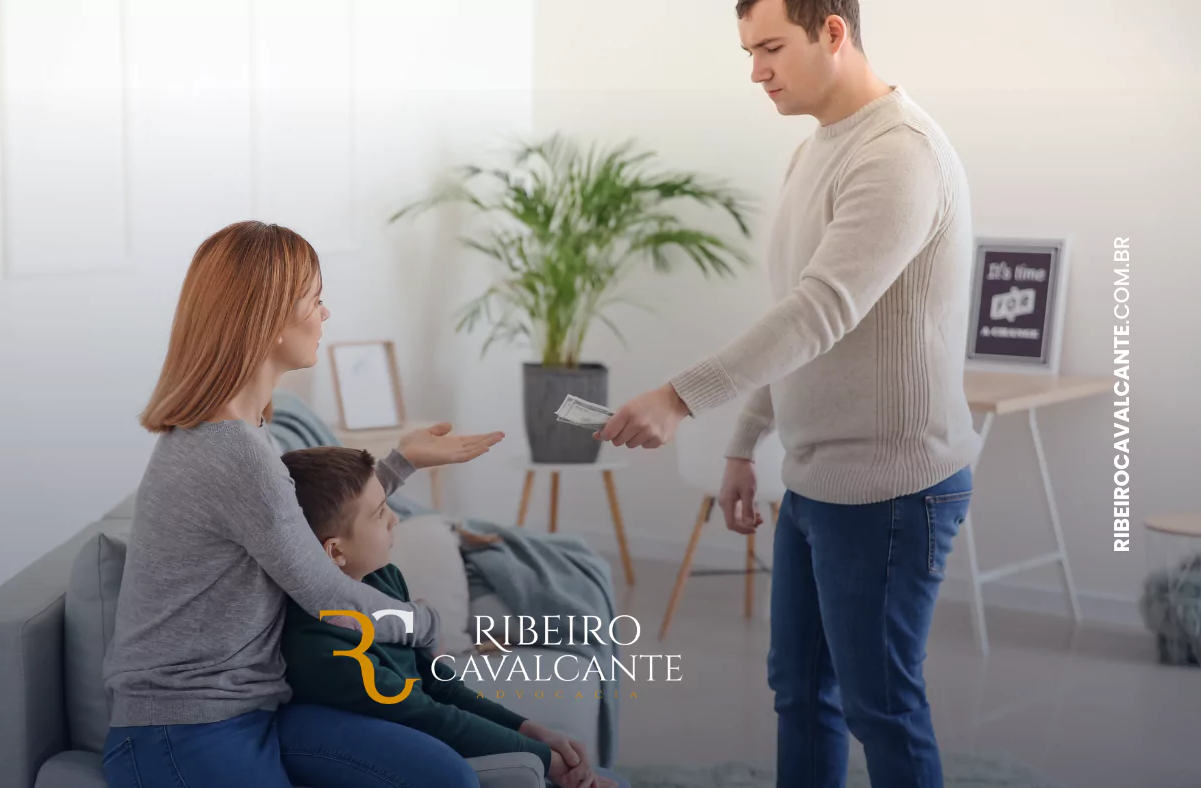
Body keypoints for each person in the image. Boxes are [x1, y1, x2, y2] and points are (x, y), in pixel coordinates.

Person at [594, 1, 980, 786]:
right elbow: (798, 316)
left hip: (891, 490)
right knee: (800, 693)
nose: (755, 70)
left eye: (770, 47)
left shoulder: (898, 153)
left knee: (882, 709)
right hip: (815, 478)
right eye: (748, 50)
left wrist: (679, 397)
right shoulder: (815, 151)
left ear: (833, 32)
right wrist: (745, 441)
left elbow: (823, 310)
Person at [102, 221, 506, 788]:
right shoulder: (231, 448)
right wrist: (425, 624)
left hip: (255, 710)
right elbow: (325, 593)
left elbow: (291, 528)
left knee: (445, 776)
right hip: (184, 729)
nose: (325, 314)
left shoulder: (238, 432)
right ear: (268, 319)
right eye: (315, 299)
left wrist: (400, 464)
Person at [277, 446, 628, 788]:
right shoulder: (322, 651)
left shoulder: (381, 578)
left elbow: (437, 680)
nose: (396, 518)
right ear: (336, 551)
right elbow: (426, 714)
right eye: (380, 513)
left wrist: (526, 728)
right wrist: (546, 760)